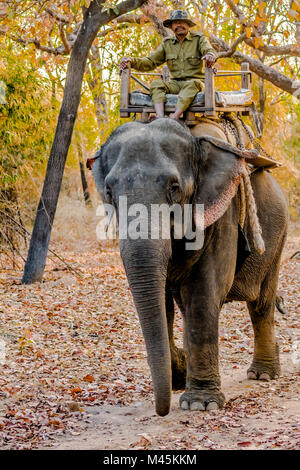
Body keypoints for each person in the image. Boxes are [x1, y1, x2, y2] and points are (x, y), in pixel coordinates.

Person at [119, 10, 217, 120]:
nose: (179, 25)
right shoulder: (167, 43)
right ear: (171, 27)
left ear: (188, 25)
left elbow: (209, 50)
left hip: (195, 83)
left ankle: (174, 118)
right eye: (175, 23)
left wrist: (209, 55)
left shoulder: (199, 39)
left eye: (182, 22)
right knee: (156, 84)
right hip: (175, 84)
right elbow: (150, 62)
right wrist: (131, 61)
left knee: (192, 84)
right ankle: (160, 117)